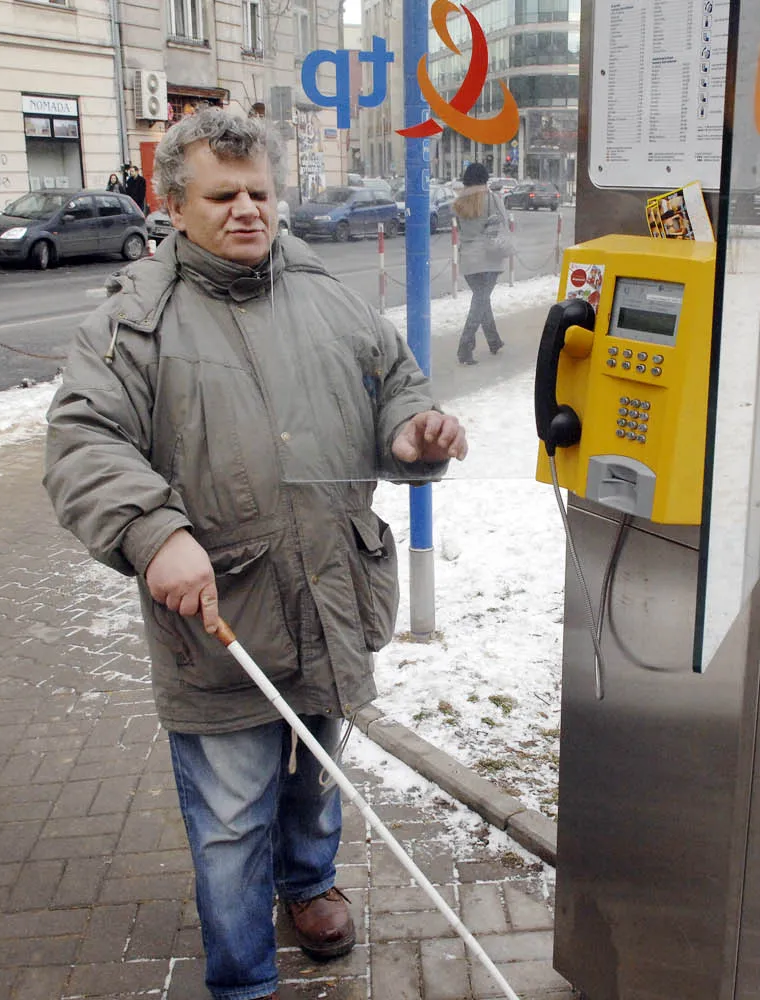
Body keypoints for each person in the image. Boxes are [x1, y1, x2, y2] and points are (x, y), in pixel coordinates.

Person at [44, 108, 467, 1000]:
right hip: (220, 617)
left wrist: (413, 432)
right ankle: (242, 980)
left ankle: (308, 885)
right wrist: (154, 533)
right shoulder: (134, 321)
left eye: (262, 193)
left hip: (332, 593)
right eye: (223, 194)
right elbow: (83, 442)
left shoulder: (325, 289)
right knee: (232, 818)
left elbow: (395, 382)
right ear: (173, 205)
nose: (248, 210)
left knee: (314, 773)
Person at [453, 162, 510, 365]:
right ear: (485, 178)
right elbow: (501, 224)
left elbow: (461, 229)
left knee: (481, 299)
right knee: (479, 302)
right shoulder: (492, 199)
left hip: (467, 258)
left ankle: (494, 341)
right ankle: (465, 347)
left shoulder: (459, 201)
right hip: (488, 258)